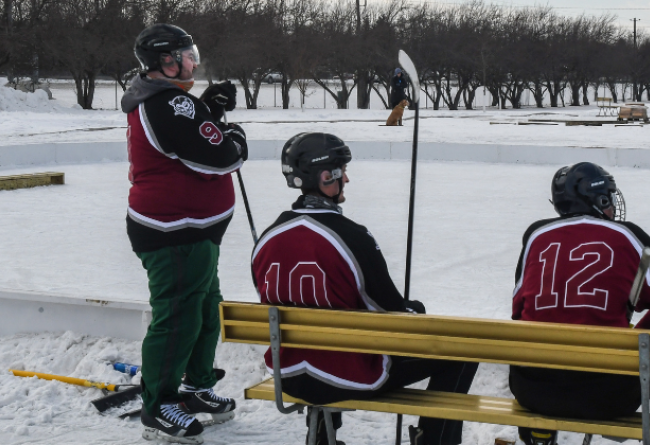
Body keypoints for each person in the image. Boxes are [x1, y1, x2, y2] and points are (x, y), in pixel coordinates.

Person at [251, 132, 478, 445]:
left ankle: (319, 435)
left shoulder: (268, 237)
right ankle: (434, 440)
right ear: (324, 177)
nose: (346, 178)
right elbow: (392, 313)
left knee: (329, 335)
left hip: (288, 374)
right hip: (344, 377)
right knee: (462, 354)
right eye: (341, 171)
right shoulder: (352, 237)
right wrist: (414, 309)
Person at [509, 162, 650, 445]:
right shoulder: (626, 235)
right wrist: (637, 336)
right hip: (605, 396)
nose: (613, 205)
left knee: (539, 346)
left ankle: (539, 435)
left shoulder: (535, 236)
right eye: (609, 197)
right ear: (598, 199)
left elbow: (519, 312)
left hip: (532, 391)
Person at [122, 23, 247, 444]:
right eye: (185, 54)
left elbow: (191, 136)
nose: (192, 61)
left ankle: (196, 386)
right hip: (173, 232)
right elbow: (221, 157)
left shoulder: (167, 99)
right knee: (177, 318)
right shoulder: (166, 103)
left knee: (205, 310)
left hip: (194, 232)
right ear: (165, 61)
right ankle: (158, 404)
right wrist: (233, 135)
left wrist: (208, 110)